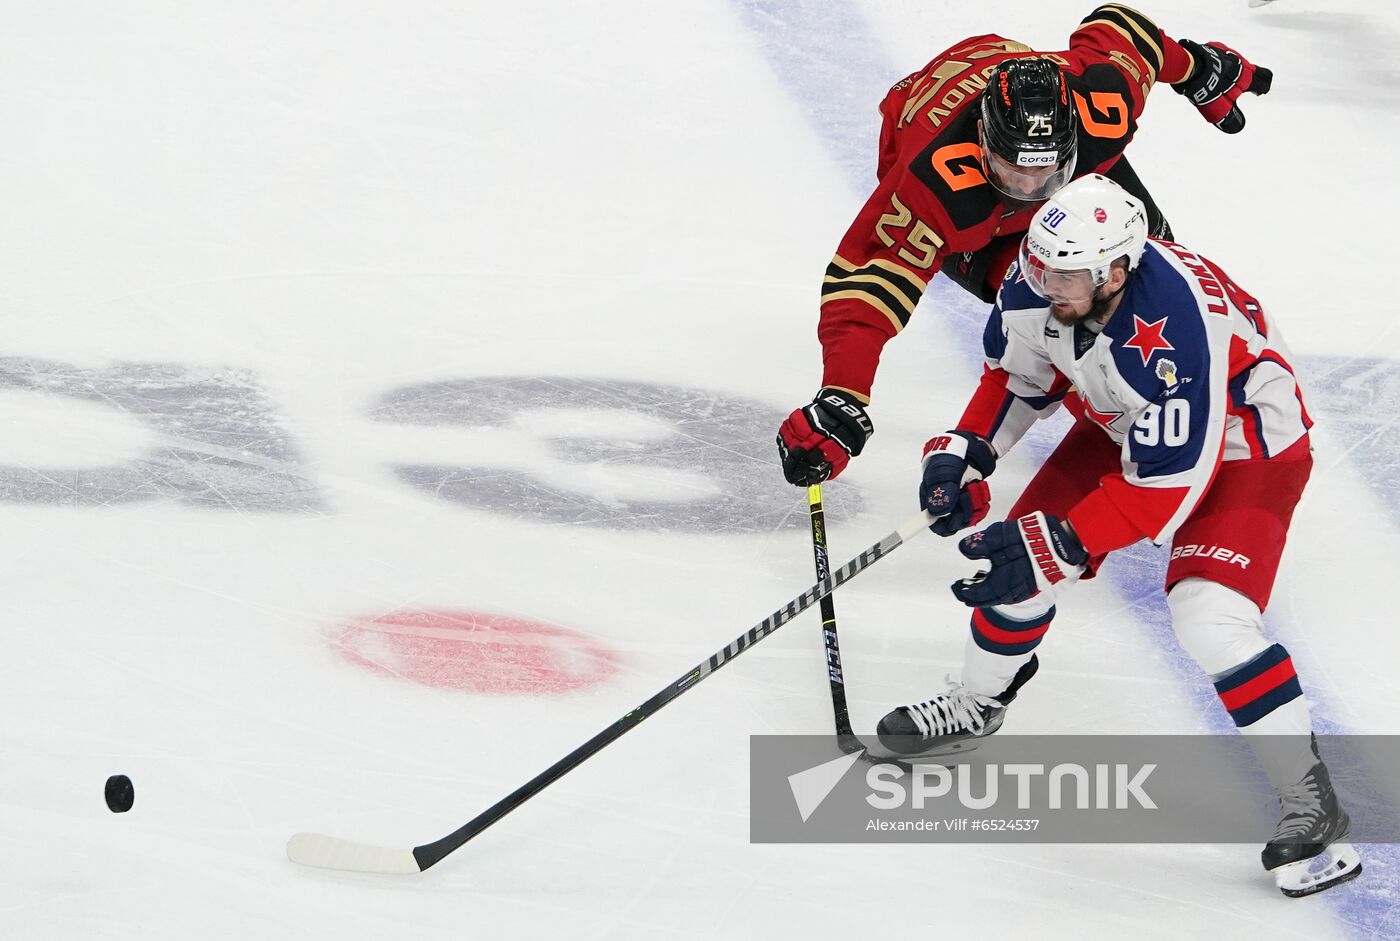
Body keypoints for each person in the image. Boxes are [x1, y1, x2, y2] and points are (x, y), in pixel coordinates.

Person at [874, 173, 1360, 898]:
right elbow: (1017, 380)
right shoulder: (1042, 282)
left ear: (1118, 270)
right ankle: (979, 702)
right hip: (1130, 420)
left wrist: (1060, 541)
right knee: (1015, 557)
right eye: (1040, 263)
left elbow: (1170, 482)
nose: (1045, 282)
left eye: (1065, 273)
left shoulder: (1175, 325)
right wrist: (964, 451)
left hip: (1241, 441)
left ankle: (1312, 800)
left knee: (1208, 614)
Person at [776, 5, 1273, 488]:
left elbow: (1125, 29)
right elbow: (872, 276)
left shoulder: (1102, 101)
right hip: (949, 166)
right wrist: (844, 392)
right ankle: (1110, 405)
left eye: (1046, 170)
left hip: (1039, 127)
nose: (1035, 189)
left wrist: (1196, 68)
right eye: (1016, 170)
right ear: (984, 145)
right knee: (1046, 306)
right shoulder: (935, 184)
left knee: (1147, 257)